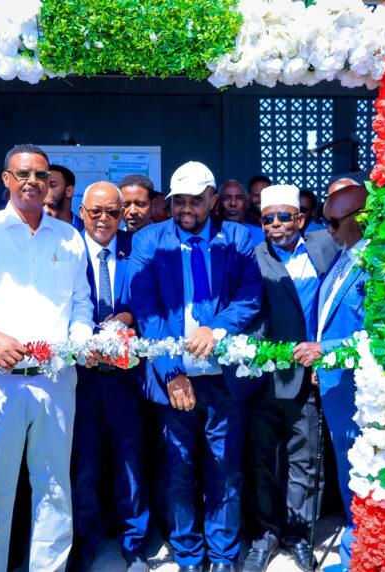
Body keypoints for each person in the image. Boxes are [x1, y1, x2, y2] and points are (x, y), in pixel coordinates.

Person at [0, 144, 94, 571]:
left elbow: (82, 301)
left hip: (55, 379)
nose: (32, 182)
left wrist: (78, 339)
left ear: (51, 184)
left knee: (54, 489)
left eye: (41, 175)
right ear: (5, 179)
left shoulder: (67, 236)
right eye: (22, 174)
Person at [129, 161, 262, 572]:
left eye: (195, 200)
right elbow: (146, 310)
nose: (187, 208)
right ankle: (188, 555)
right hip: (176, 382)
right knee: (179, 471)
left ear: (212, 199)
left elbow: (251, 295)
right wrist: (171, 371)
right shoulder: (150, 241)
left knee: (226, 470)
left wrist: (216, 329)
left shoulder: (238, 237)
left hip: (224, 380)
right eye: (179, 201)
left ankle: (223, 556)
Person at [243, 185, 337, 572]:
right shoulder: (251, 258)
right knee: (263, 461)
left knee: (305, 463)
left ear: (301, 219)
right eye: (268, 218)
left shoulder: (325, 249)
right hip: (264, 380)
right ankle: (265, 536)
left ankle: (299, 535)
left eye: (284, 217)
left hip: (309, 378)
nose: (276, 225)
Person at [70, 182, 151, 572]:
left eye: (113, 213)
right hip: (79, 378)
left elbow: (149, 300)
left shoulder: (135, 249)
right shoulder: (65, 248)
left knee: (129, 459)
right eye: (96, 212)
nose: (104, 220)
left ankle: (135, 541)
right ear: (81, 212)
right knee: (83, 462)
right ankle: (84, 539)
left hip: (124, 378)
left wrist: (130, 317)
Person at [292, 185, 369, 572]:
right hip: (336, 388)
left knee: (363, 476)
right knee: (347, 472)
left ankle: (359, 555)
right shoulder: (342, 258)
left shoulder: (377, 266)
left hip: (359, 392)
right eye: (324, 219)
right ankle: (357, 550)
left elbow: (381, 336)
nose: (329, 229)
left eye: (335, 221)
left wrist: (327, 350)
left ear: (362, 218)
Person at [217, 179, 264, 247]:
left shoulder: (261, 235)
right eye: (227, 198)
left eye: (239, 198)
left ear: (246, 203)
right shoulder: (208, 234)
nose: (233, 203)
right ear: (217, 203)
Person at [45, 163, 85, 231]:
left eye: (52, 185)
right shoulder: (30, 229)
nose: (44, 190)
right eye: (43, 185)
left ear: (69, 191)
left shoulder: (86, 231)